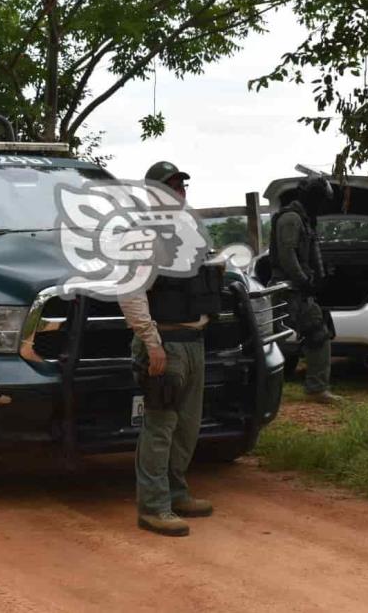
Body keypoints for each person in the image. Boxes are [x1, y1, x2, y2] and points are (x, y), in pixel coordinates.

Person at [120, 161, 221, 537]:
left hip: (192, 341)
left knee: (187, 428)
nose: (178, 192)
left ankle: (177, 493)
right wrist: (151, 342)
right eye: (169, 186)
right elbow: (130, 292)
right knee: (160, 427)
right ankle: (153, 506)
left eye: (181, 186)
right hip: (164, 343)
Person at [269, 176, 341, 405]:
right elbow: (287, 255)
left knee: (316, 332)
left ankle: (315, 388)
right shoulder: (291, 219)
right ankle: (311, 389)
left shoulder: (303, 219)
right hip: (287, 289)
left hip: (295, 289)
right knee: (275, 340)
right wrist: (304, 281)